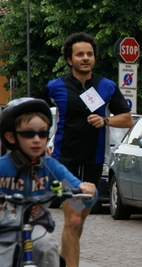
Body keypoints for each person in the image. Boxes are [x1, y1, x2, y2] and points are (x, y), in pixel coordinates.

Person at [38, 32, 133, 267]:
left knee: (78, 220)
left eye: (89, 54)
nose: (85, 58)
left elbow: (128, 119)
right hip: (64, 162)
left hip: (93, 161)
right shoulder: (55, 86)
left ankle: (62, 259)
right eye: (79, 54)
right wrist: (42, 144)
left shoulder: (106, 86)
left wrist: (106, 121)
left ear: (94, 58)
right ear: (70, 59)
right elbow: (34, 114)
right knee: (72, 218)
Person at [0, 97, 98, 267]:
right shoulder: (3, 167)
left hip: (35, 227)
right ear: (10, 137)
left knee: (48, 247)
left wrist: (86, 189)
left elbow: (77, 188)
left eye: (43, 133)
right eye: (29, 134)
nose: (37, 139)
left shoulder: (51, 167)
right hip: (3, 230)